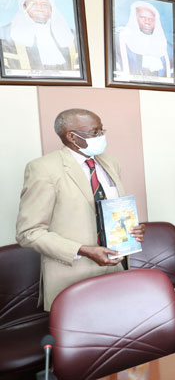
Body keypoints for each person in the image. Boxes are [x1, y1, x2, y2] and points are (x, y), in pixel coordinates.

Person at [16, 108, 145, 311]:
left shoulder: (109, 163)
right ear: (72, 137)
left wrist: (132, 228)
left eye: (102, 130)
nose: (101, 137)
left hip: (114, 270)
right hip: (71, 275)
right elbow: (28, 233)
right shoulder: (43, 169)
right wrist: (84, 250)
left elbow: (109, 209)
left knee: (120, 335)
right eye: (95, 133)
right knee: (86, 341)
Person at [0, 0, 78, 72]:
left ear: (52, 9)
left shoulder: (70, 36)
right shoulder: (6, 35)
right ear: (23, 7)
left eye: (44, 5)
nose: (40, 9)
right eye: (33, 4)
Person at [115, 1, 173, 78]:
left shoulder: (167, 48)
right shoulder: (120, 41)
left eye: (151, 19)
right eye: (142, 17)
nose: (147, 22)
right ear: (134, 18)